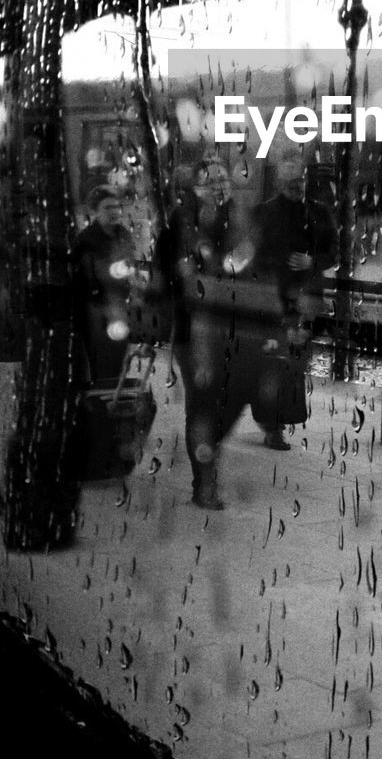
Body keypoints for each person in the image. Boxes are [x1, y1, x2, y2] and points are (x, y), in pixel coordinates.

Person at [162, 157, 242, 510]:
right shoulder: (184, 220)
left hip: (229, 325)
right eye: (212, 182)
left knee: (221, 402)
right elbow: (177, 271)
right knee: (204, 403)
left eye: (224, 179)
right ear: (197, 188)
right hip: (196, 327)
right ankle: (204, 483)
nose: (220, 186)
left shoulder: (232, 218)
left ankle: (207, 468)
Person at [247, 156, 338, 450]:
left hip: (306, 298)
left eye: (299, 181)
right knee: (275, 361)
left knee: (294, 364)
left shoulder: (319, 213)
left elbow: (334, 252)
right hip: (273, 298)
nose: (296, 187)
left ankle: (278, 420)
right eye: (290, 183)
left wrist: (313, 261)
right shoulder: (262, 214)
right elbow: (251, 255)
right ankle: (273, 424)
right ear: (279, 183)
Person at [70, 185, 145, 383]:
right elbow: (97, 274)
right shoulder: (87, 240)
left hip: (119, 307)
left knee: (118, 361)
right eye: (107, 207)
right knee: (102, 362)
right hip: (97, 310)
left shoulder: (123, 235)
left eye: (116, 207)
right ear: (96, 211)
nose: (114, 212)